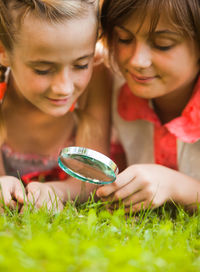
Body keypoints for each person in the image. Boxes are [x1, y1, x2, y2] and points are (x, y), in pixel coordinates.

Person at [0, 0, 111, 210]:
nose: (64, 88)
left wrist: (56, 191)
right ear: (3, 51)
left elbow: (93, 177)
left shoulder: (98, 72)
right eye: (43, 70)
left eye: (81, 65)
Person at [96, 0, 200, 213]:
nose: (138, 61)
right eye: (124, 39)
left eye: (162, 44)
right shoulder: (107, 80)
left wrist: (177, 187)